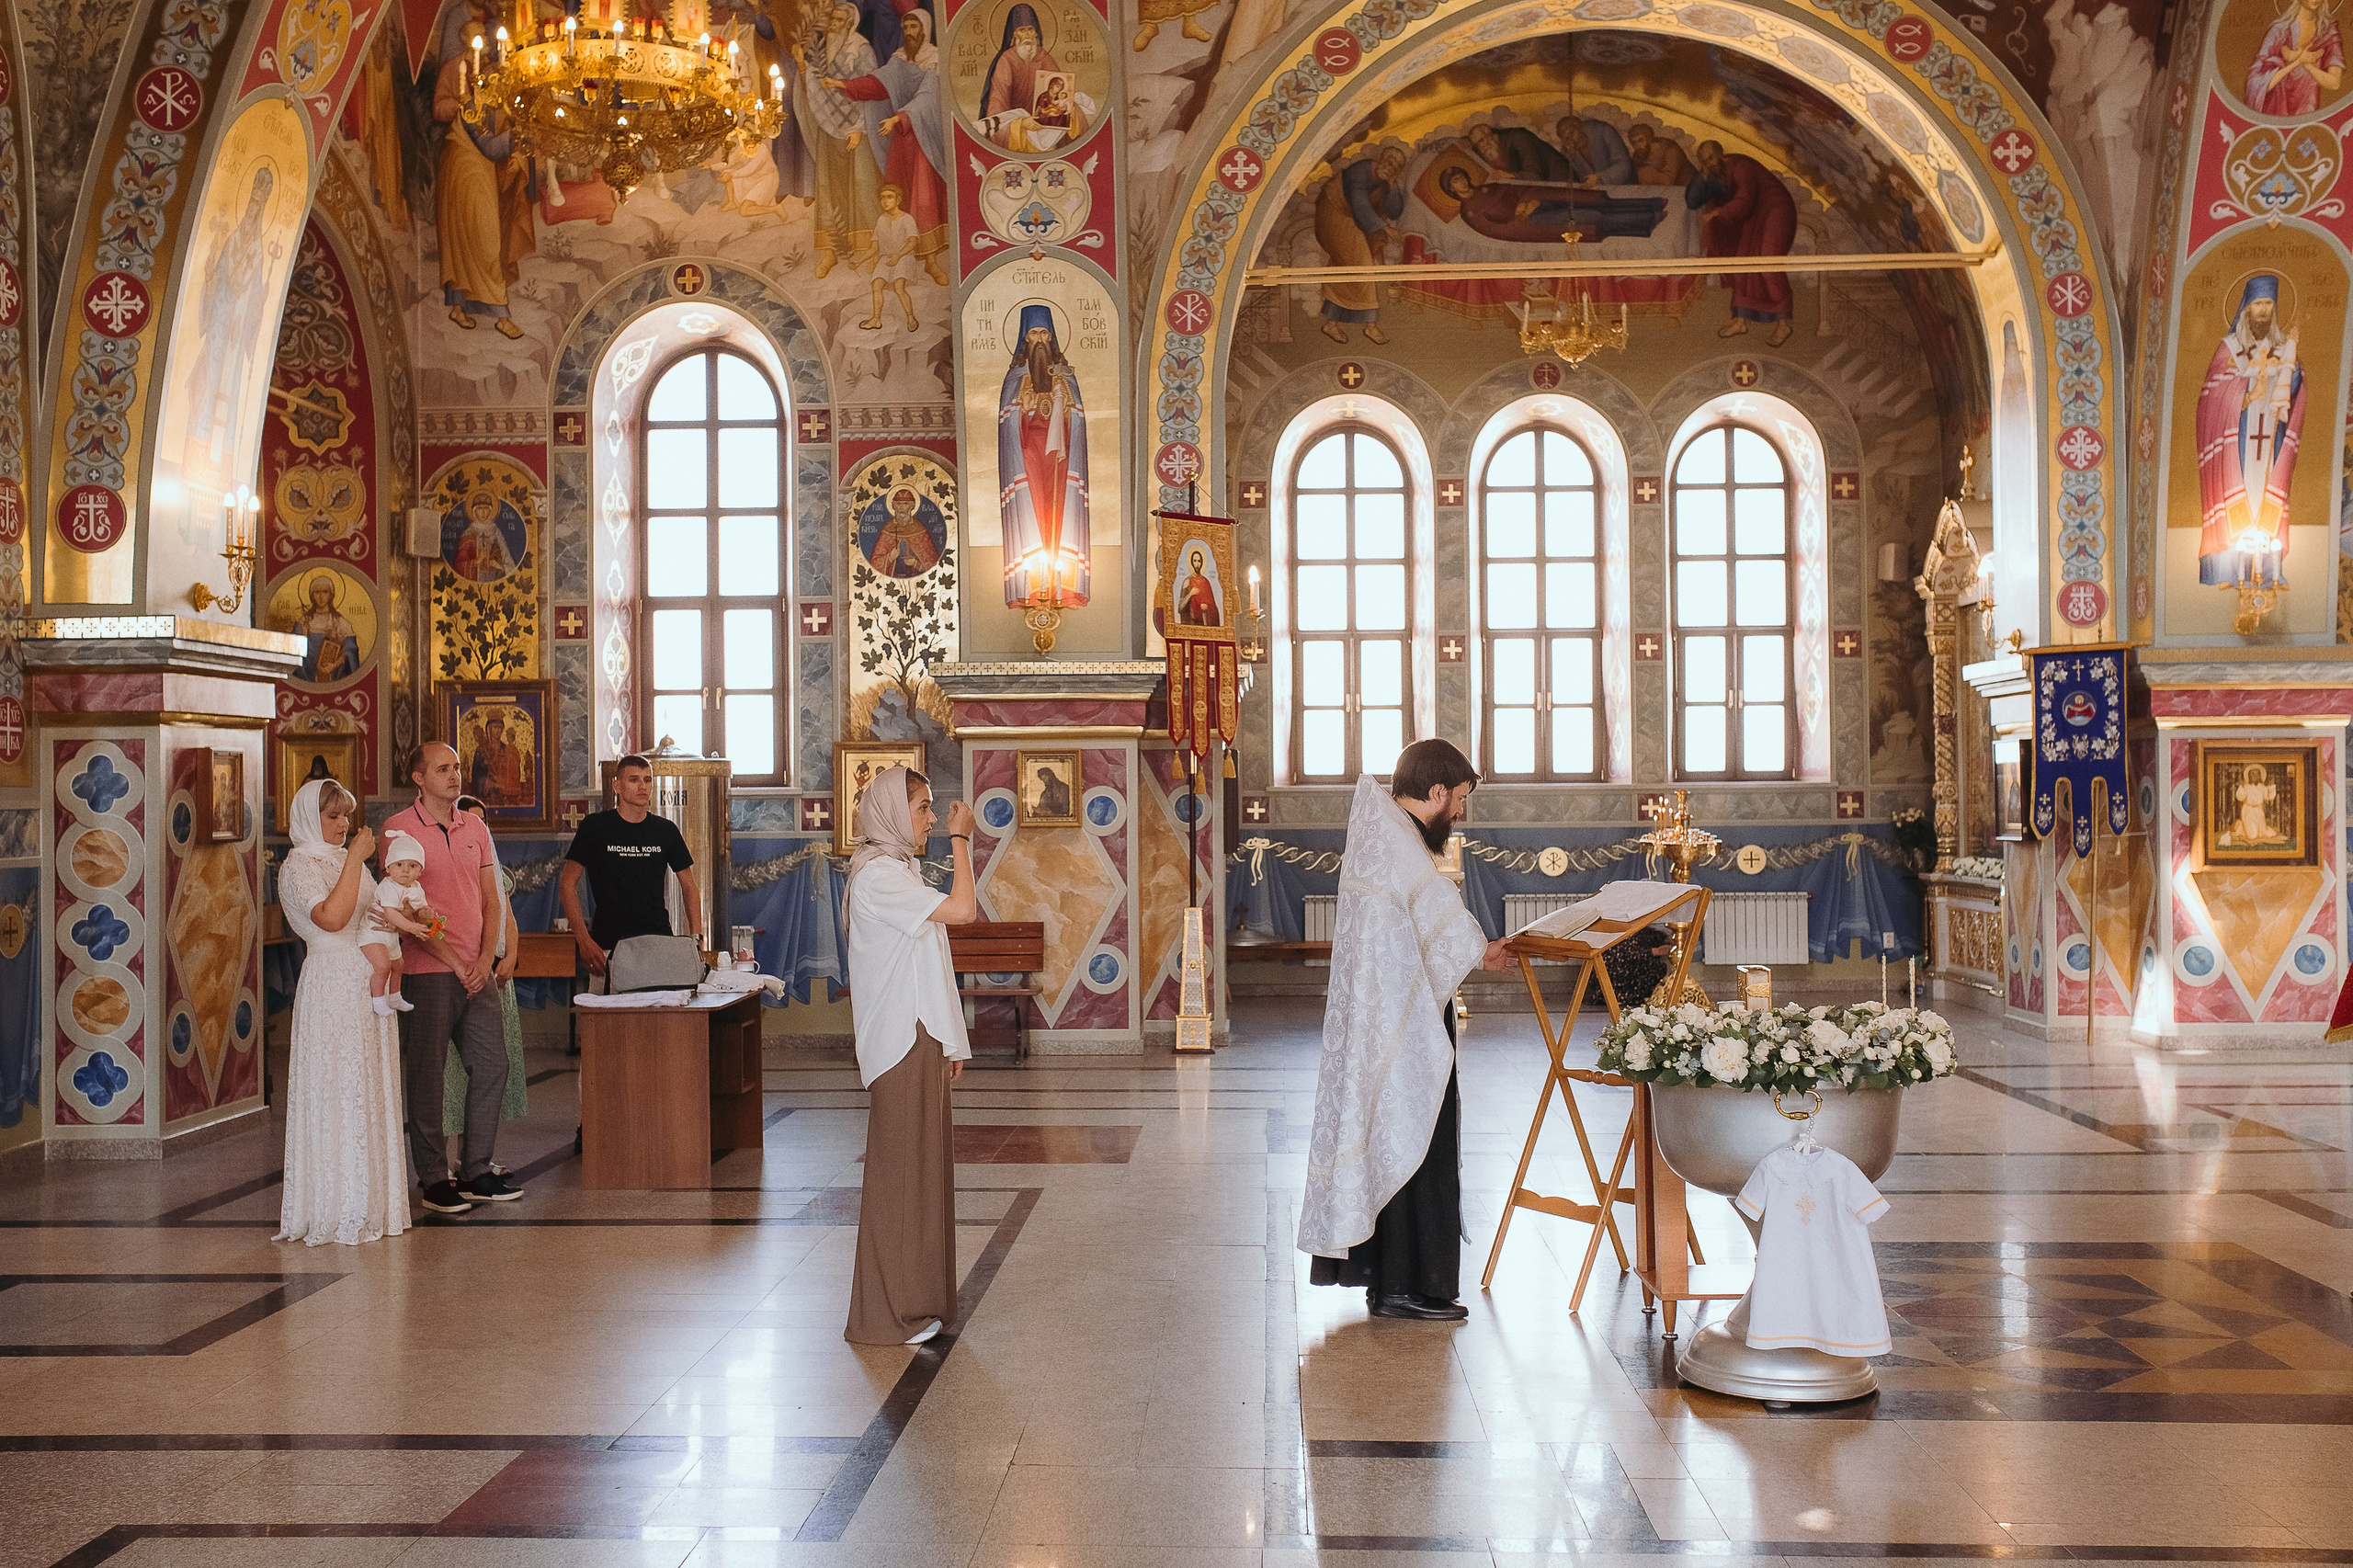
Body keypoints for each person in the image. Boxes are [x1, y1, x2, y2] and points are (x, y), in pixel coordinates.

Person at [1300, 739, 1511, 1320]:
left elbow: (1422, 923)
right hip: (1401, 1025)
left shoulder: (1382, 831)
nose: (1460, 812)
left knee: (1393, 1134)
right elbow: (1439, 918)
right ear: (1437, 791)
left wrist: (1476, 951)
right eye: (1460, 798)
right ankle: (1402, 1287)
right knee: (1416, 1136)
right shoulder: (1395, 841)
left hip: (1392, 1015)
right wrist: (1485, 951)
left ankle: (1388, 1281)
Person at [844, 767, 975, 1345]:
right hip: (898, 1040)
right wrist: (961, 840)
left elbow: (931, 964)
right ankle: (887, 1317)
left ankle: (918, 1302)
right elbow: (964, 911)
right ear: (895, 813)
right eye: (923, 808)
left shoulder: (900, 870)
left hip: (919, 1035)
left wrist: (951, 1037)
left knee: (921, 1174)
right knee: (900, 1176)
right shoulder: (878, 877)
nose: (931, 819)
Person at [274, 779, 411, 1246]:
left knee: (368, 1086)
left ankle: (374, 1203)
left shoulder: (343, 859)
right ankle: (337, 1206)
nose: (344, 824)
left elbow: (370, 912)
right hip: (331, 986)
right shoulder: (299, 866)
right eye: (333, 816)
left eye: (346, 815)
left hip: (369, 984)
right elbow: (331, 920)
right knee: (338, 1089)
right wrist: (355, 860)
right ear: (309, 818)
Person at [388, 742, 518, 1213]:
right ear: (419, 778)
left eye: (458, 767)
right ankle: (432, 1179)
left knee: (492, 1064)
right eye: (443, 768)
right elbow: (402, 907)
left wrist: (484, 958)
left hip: (475, 969)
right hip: (428, 969)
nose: (454, 775)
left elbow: (492, 898)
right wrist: (453, 959)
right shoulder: (399, 829)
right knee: (427, 1075)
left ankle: (476, 1170)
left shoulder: (475, 827)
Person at [432, 0, 533, 338]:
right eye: (480, 40)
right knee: (477, 236)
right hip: (463, 161)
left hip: (483, 165)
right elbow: (442, 109)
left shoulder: (492, 78)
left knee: (483, 235)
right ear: (466, 42)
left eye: (487, 42)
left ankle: (464, 306)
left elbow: (500, 123)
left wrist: (516, 145)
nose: (486, 46)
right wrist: (461, 103)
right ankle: (497, 313)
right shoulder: (457, 73)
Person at [561, 754, 704, 986]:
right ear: (617, 786)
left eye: (647, 780)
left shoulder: (665, 830)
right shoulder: (595, 827)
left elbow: (689, 886)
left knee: (662, 1007)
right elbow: (567, 884)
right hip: (609, 944)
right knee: (609, 1009)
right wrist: (583, 940)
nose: (642, 786)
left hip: (658, 941)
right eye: (634, 780)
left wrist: (696, 937)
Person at [2197, 274, 2304, 585]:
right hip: (2239, 436)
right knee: (2240, 490)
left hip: (2271, 435)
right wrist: (2245, 396)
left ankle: (2269, 570)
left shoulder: (2283, 348)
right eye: (2258, 304)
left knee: (2267, 492)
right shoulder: (2229, 349)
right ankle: (2230, 570)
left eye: (2269, 304)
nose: (2263, 310)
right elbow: (2210, 398)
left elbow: (2295, 392)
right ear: (2246, 308)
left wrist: (2292, 368)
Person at [834, 8, 949, 291]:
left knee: (923, 198)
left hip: (924, 138)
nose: (909, 32)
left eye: (914, 27)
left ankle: (931, 261)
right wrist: (843, 84)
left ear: (925, 29)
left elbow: (928, 97)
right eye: (906, 27)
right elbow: (878, 84)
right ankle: (900, 259)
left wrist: (899, 118)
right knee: (900, 196)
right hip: (901, 138)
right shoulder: (898, 59)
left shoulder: (935, 59)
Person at [445, 795, 528, 1166]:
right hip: (461, 973)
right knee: (453, 1077)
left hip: (494, 975)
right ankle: (448, 1161)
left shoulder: (494, 867)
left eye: (483, 822)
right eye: (470, 820)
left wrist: (510, 956)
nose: (479, 828)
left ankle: (475, 1157)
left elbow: (506, 914)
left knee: (490, 1070)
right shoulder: (451, 866)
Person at [997, 304, 1092, 608]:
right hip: (1028, 452)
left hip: (1059, 455)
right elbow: (1007, 424)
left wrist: (1065, 407)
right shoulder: (1015, 378)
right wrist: (1021, 410)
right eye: (1033, 334)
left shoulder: (1065, 376)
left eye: (1044, 334)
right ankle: (1033, 585)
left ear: (1052, 337)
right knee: (1034, 506)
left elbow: (1078, 421)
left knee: (1059, 508)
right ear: (1024, 339)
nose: (1039, 340)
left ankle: (1063, 586)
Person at [796, 1, 883, 279]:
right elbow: (814, 83)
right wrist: (802, 66)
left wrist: (859, 127)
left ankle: (868, 246)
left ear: (850, 24)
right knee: (827, 186)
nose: (833, 25)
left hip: (858, 129)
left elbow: (872, 90)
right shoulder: (822, 50)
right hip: (828, 125)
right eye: (832, 20)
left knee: (861, 182)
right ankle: (831, 250)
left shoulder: (863, 50)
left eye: (839, 21)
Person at [1686, 141, 1797, 346]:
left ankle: (1783, 324)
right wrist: (1702, 177)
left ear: (1720, 153)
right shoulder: (1715, 175)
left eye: (1711, 158)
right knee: (1741, 266)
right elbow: (1692, 201)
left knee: (1768, 264)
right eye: (1704, 162)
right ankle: (1740, 320)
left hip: (1775, 209)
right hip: (1754, 217)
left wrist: (1717, 212)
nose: (1709, 164)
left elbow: (1745, 201)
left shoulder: (1741, 167)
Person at [1433, 166, 1665, 244]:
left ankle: (1651, 204)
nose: (1461, 182)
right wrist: (1520, 216)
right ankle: (1647, 219)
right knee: (1591, 217)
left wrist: (1527, 201)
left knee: (1600, 203)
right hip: (1532, 221)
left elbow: (1516, 190)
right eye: (1455, 182)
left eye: (1461, 177)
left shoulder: (1488, 187)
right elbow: (1499, 231)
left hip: (1537, 202)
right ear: (1451, 189)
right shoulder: (1469, 212)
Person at [1316, 147, 1406, 345]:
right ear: (1381, 158)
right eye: (1389, 161)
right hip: (1333, 212)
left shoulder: (1384, 181)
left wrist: (1392, 186)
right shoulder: (1361, 170)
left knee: (1345, 266)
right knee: (1362, 263)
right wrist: (1385, 228)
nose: (1390, 167)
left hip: (1354, 218)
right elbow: (1360, 204)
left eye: (1396, 167)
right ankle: (1371, 325)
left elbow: (1394, 211)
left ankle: (1331, 323)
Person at [362, 831, 441, 1017]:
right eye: (399, 865)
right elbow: (390, 913)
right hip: (372, 934)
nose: (405, 870)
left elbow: (419, 908)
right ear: (388, 868)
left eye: (412, 866)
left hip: (390, 935)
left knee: (398, 965)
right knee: (383, 966)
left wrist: (426, 913)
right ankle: (378, 1000)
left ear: (420, 871)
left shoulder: (416, 888)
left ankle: (394, 996)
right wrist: (412, 927)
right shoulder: (388, 886)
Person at [2247, 0, 2344, 117]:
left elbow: (2334, 83)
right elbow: (2256, 81)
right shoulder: (2279, 30)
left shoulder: (2328, 33)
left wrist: (2305, 63)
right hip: (2276, 110)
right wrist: (2298, 61)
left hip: (2308, 106)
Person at [1465, 122, 1574, 183]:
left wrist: (1509, 175)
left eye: (1482, 141)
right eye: (1478, 145)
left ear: (1492, 135)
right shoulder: (1491, 149)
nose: (1482, 146)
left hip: (1563, 184)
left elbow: (1535, 176)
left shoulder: (1519, 138)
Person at [1555, 116, 1633, 186]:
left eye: (1572, 133)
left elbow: (1624, 166)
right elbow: (1564, 175)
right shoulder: (1567, 151)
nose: (1572, 140)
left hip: (1626, 190)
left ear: (1579, 127)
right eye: (1567, 139)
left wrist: (1600, 178)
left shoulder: (1604, 131)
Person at [1626, 123, 1695, 187]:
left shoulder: (1671, 149)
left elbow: (1667, 181)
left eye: (1641, 140)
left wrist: (1645, 173)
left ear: (1649, 138)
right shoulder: (1638, 156)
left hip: (1687, 187)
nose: (1638, 146)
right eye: (1634, 143)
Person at [1177, 547, 1221, 626]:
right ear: (1191, 562)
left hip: (1204, 623)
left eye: (1199, 561)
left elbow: (1214, 607)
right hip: (1191, 623)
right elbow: (1180, 608)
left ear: (1202, 563)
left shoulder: (1206, 582)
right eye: (1195, 561)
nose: (1197, 564)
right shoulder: (1187, 582)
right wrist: (1190, 594)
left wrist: (1207, 607)